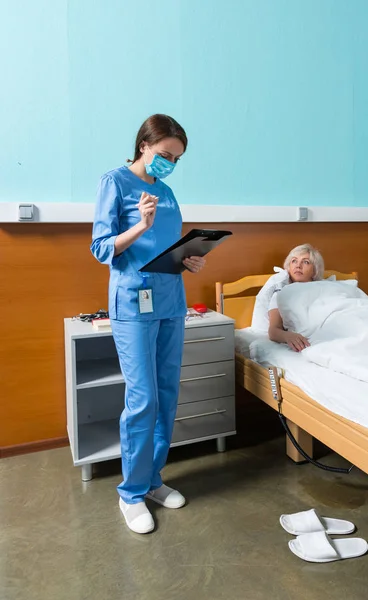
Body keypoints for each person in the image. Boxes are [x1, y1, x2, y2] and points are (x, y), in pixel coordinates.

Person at [91, 114, 205, 534]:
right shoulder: (115, 183)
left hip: (171, 301)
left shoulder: (169, 192)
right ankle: (131, 494)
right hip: (133, 305)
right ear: (144, 145)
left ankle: (153, 479)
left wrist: (190, 260)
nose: (169, 163)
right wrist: (140, 224)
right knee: (142, 401)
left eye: (175, 158)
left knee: (167, 396)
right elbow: (102, 248)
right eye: (164, 155)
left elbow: (170, 249)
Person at [268, 244, 324, 352]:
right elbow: (273, 331)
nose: (298, 266)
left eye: (306, 262)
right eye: (294, 261)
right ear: (289, 267)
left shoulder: (324, 288)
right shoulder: (281, 294)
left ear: (315, 270)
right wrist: (288, 336)